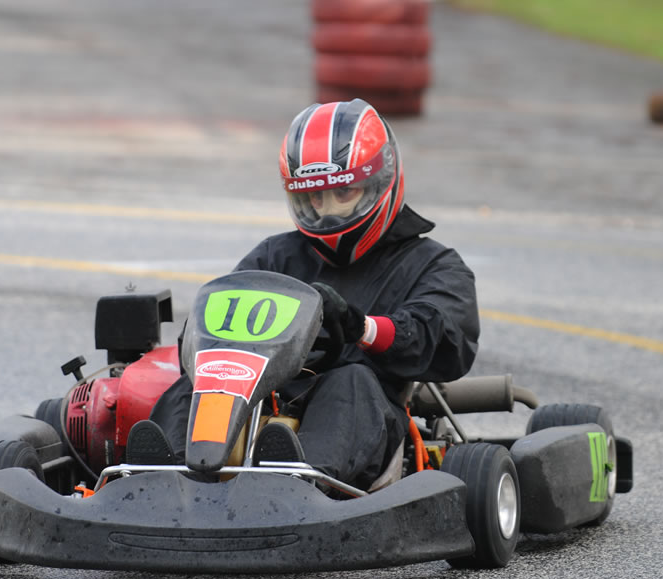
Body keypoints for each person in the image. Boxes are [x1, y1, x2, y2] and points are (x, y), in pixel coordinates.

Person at [126, 98, 479, 491]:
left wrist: (360, 327)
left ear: (380, 180)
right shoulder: (275, 256)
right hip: (260, 401)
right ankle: (167, 480)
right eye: (313, 197)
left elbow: (445, 339)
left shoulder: (431, 264)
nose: (326, 211)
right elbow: (213, 326)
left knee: (352, 381)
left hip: (362, 422)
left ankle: (298, 482)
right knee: (204, 378)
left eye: (341, 192)